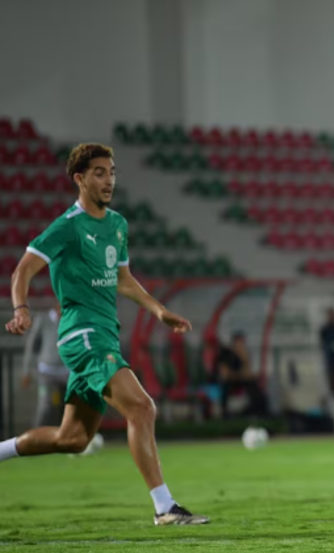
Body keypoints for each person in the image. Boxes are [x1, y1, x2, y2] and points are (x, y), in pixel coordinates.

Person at [0, 143, 208, 525]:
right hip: (81, 335)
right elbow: (22, 271)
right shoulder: (67, 226)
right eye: (99, 172)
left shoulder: (117, 225)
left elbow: (123, 280)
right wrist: (21, 308)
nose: (109, 179)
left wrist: (158, 310)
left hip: (104, 335)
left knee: (73, 439)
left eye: (111, 171)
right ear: (79, 179)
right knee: (142, 408)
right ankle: (164, 507)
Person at [21, 303, 67, 427]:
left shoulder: (70, 320)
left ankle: (65, 440)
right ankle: (36, 437)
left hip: (66, 373)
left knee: (69, 408)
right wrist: (26, 371)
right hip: (46, 371)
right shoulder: (43, 320)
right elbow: (31, 346)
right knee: (46, 407)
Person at [213, 331, 269, 418]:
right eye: (240, 342)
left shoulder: (243, 354)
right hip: (228, 381)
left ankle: (259, 410)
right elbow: (225, 375)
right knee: (225, 388)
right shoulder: (226, 354)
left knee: (254, 388)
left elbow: (246, 371)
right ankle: (224, 413)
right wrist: (242, 375)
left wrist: (245, 359)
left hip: (239, 380)